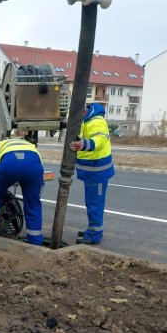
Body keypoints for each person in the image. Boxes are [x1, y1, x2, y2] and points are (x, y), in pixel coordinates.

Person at [0, 130, 45, 245]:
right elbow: (38, 165)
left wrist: (0, 184)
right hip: (33, 167)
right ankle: (35, 241)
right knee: (33, 204)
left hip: (9, 165)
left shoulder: (0, 145)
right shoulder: (31, 146)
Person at [69, 103, 115, 245]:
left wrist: (84, 144)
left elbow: (100, 140)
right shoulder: (87, 121)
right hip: (92, 172)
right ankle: (92, 229)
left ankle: (94, 234)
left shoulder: (96, 121)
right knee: (92, 203)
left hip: (98, 172)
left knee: (94, 204)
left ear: (85, 111)